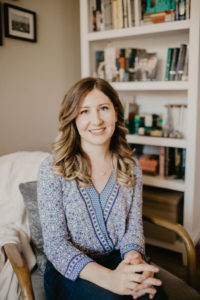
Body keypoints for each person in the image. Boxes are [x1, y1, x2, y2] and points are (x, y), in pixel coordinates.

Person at [37, 77, 167, 300]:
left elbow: (133, 229)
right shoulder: (53, 168)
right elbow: (56, 245)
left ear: (116, 112)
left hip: (119, 257)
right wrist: (110, 279)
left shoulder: (131, 166)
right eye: (84, 111)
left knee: (152, 295)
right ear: (73, 119)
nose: (96, 120)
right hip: (72, 269)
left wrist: (133, 258)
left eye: (103, 108)